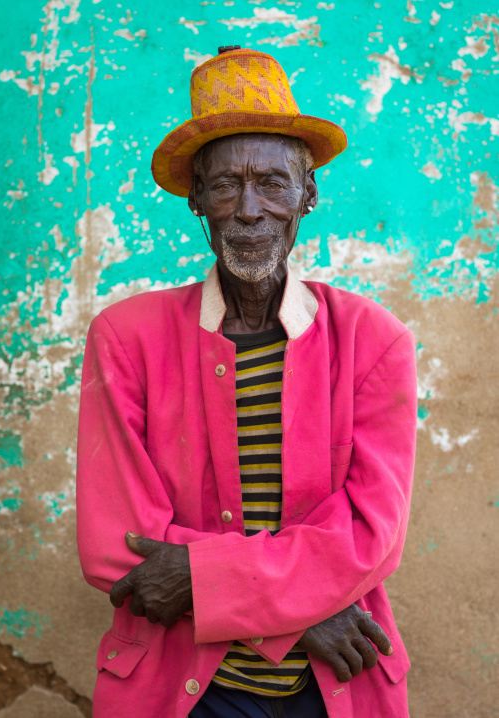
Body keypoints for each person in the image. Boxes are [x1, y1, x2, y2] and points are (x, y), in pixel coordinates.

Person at [76, 46, 417, 718]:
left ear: (308, 194)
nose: (250, 208)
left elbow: (369, 537)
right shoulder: (127, 339)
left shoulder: (374, 342)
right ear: (197, 199)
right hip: (181, 689)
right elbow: (121, 549)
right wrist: (293, 618)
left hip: (335, 687)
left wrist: (201, 578)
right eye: (226, 184)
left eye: (273, 182)